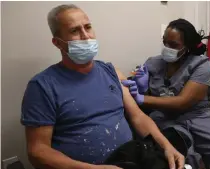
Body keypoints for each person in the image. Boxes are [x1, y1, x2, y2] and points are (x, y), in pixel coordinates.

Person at [20, 4, 184, 169]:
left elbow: (138, 117)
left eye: (88, 27)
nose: (86, 36)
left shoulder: (111, 72)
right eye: (74, 31)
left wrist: (165, 145)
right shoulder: (42, 86)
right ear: (58, 43)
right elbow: (37, 151)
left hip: (130, 159)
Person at [122, 18, 210, 168]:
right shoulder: (153, 63)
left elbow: (183, 102)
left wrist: (142, 98)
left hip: (197, 116)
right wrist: (141, 87)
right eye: (165, 42)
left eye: (174, 45)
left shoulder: (201, 65)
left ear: (187, 46)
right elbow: (146, 96)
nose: (167, 48)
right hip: (164, 118)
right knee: (181, 158)